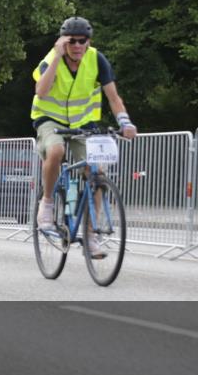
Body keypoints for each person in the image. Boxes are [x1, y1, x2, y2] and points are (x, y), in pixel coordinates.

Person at [32, 16, 137, 259]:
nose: (78, 45)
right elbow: (41, 91)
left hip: (82, 124)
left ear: (89, 41)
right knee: (56, 151)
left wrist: (125, 122)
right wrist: (57, 57)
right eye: (72, 41)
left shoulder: (97, 59)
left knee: (97, 172)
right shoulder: (52, 58)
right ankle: (47, 203)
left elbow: (113, 97)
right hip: (50, 120)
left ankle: (91, 237)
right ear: (63, 41)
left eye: (83, 41)